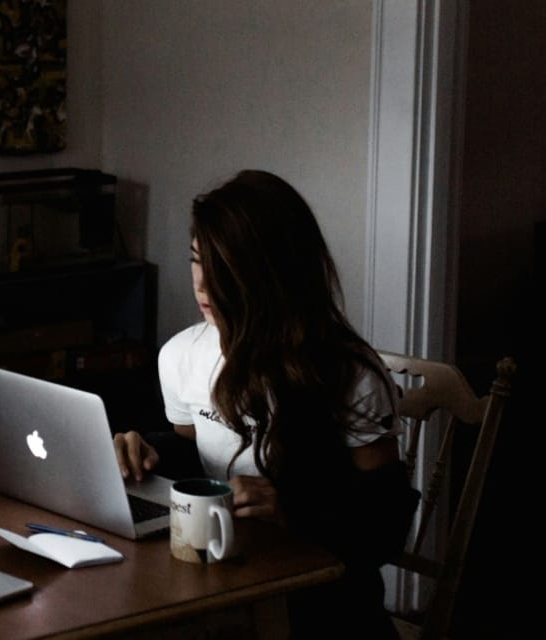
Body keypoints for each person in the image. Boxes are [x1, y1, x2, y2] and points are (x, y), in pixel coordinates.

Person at [111, 170, 417, 638]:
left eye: (224, 266)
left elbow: (385, 526)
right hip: (223, 583)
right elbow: (194, 452)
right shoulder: (180, 356)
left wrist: (291, 508)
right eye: (197, 260)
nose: (203, 284)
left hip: (323, 604)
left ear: (272, 272)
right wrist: (145, 452)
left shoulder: (350, 374)